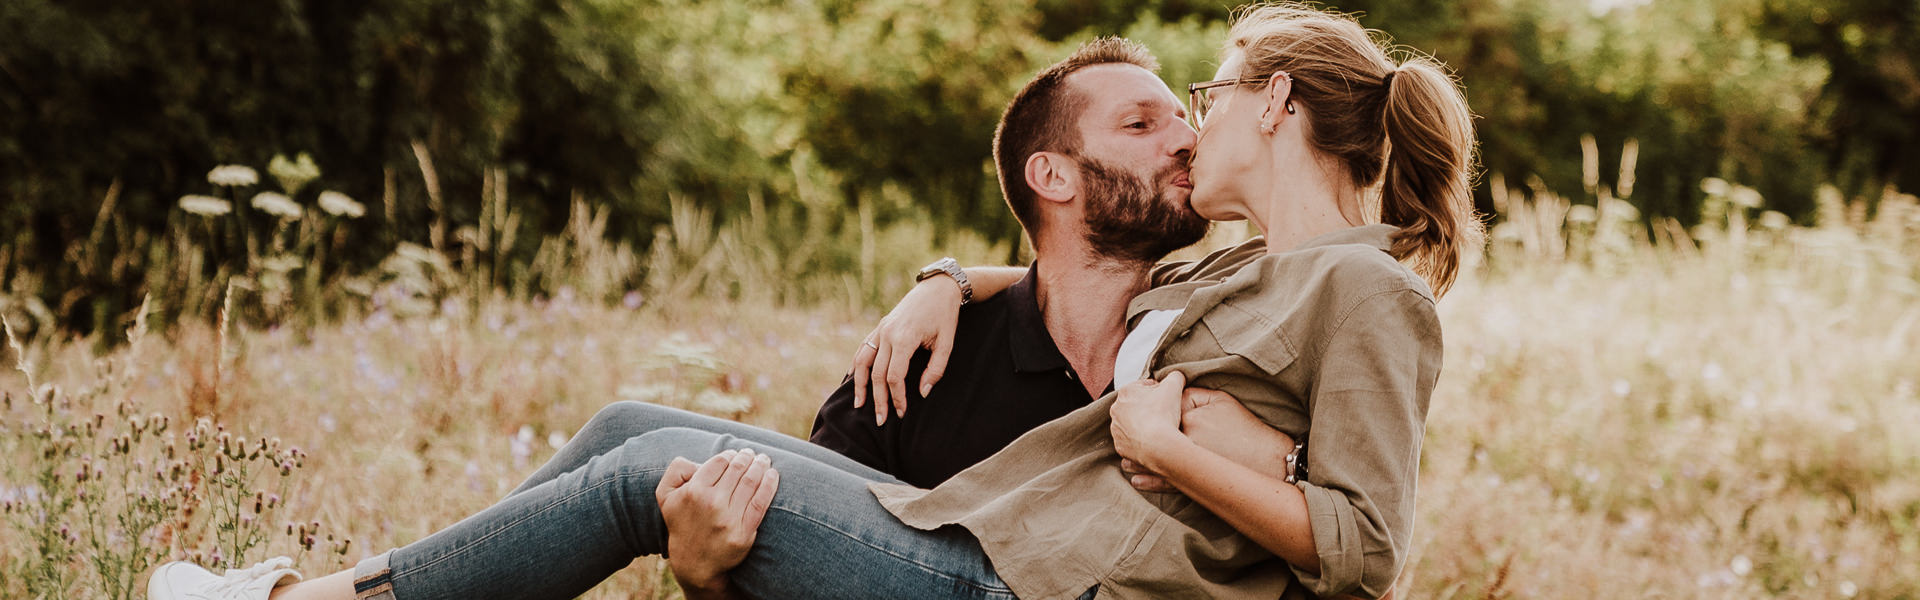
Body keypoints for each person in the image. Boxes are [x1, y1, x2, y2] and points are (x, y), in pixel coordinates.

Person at [149, 3, 1478, 599]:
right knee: (628, 426)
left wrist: (1160, 443)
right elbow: (1097, 282)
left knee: (653, 469)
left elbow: (1364, 555)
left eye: (1213, 95)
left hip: (1036, 587)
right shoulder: (1247, 267)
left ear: (1280, 106)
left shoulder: (1370, 294)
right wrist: (950, 282)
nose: (1197, 122)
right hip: (1000, 543)